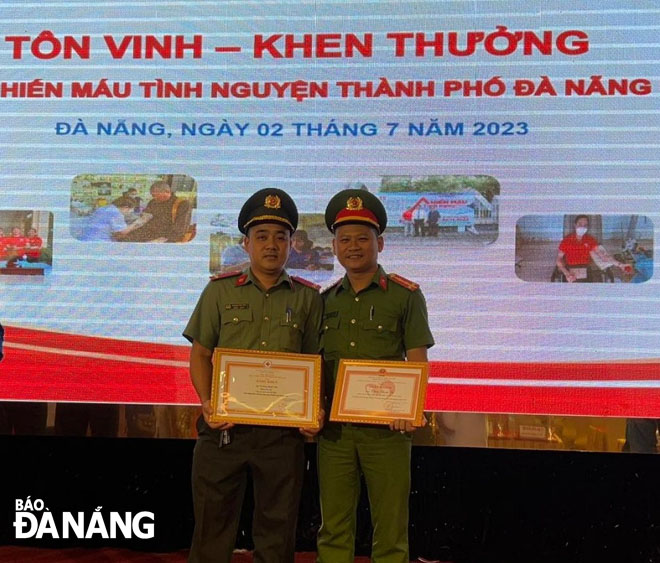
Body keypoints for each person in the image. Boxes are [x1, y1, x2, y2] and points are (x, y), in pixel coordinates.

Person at [183, 188, 324, 563]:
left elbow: (314, 360)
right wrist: (207, 402)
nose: (272, 245)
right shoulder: (218, 291)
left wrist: (314, 411)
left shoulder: (308, 298)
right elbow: (200, 354)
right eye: (262, 236)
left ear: (292, 244)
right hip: (223, 429)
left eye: (281, 237)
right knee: (212, 532)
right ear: (246, 244)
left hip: (282, 437)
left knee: (277, 536)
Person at [317, 189, 435, 563]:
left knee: (390, 529)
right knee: (333, 528)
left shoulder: (405, 296)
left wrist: (411, 408)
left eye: (363, 238)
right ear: (335, 246)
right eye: (345, 239)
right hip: (334, 433)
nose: (354, 247)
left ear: (380, 243)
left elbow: (417, 356)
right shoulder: (324, 300)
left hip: (388, 431)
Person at [556, 215, 627, 282]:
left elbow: (603, 256)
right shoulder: (567, 240)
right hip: (570, 269)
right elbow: (559, 259)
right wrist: (566, 273)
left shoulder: (590, 240)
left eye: (585, 225)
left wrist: (620, 265)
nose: (582, 227)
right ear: (575, 225)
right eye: (580, 224)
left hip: (586, 269)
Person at [118, 181, 192, 242]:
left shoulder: (182, 204)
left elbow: (180, 229)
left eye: (156, 195)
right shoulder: (153, 202)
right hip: (147, 232)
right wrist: (127, 230)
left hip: (165, 236)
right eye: (153, 195)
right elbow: (143, 219)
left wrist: (159, 241)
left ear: (166, 192)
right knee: (123, 239)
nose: (154, 198)